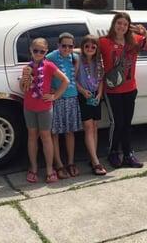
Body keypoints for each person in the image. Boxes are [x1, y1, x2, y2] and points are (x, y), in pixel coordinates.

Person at [99, 12, 147, 168]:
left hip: (130, 89)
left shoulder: (134, 41)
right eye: (119, 23)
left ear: (128, 27)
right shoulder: (104, 42)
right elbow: (86, 50)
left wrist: (143, 32)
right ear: (113, 24)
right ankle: (113, 153)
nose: (121, 26)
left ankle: (128, 154)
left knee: (127, 123)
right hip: (112, 91)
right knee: (117, 123)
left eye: (125, 24)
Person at [20, 38, 69, 184]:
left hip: (45, 108)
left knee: (46, 137)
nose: (39, 53)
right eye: (36, 50)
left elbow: (65, 80)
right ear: (31, 50)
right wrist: (25, 79)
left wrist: (54, 96)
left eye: (42, 51)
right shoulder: (26, 68)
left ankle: (49, 169)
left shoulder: (49, 66)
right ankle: (33, 168)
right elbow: (23, 89)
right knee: (32, 136)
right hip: (29, 107)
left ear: (46, 52)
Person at [46, 32, 82, 178]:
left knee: (70, 132)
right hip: (57, 100)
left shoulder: (75, 57)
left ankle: (71, 162)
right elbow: (44, 71)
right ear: (58, 46)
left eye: (70, 46)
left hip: (72, 98)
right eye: (64, 46)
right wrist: (51, 90)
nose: (67, 49)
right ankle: (59, 164)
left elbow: (74, 76)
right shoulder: (51, 57)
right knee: (55, 133)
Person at [76, 35, 107, 176]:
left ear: (97, 49)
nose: (90, 49)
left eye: (93, 47)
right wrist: (82, 91)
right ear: (82, 47)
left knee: (95, 127)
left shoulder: (99, 62)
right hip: (84, 96)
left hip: (96, 96)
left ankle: (92, 156)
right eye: (86, 46)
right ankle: (95, 162)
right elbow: (72, 79)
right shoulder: (78, 61)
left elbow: (100, 80)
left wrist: (100, 94)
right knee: (88, 128)